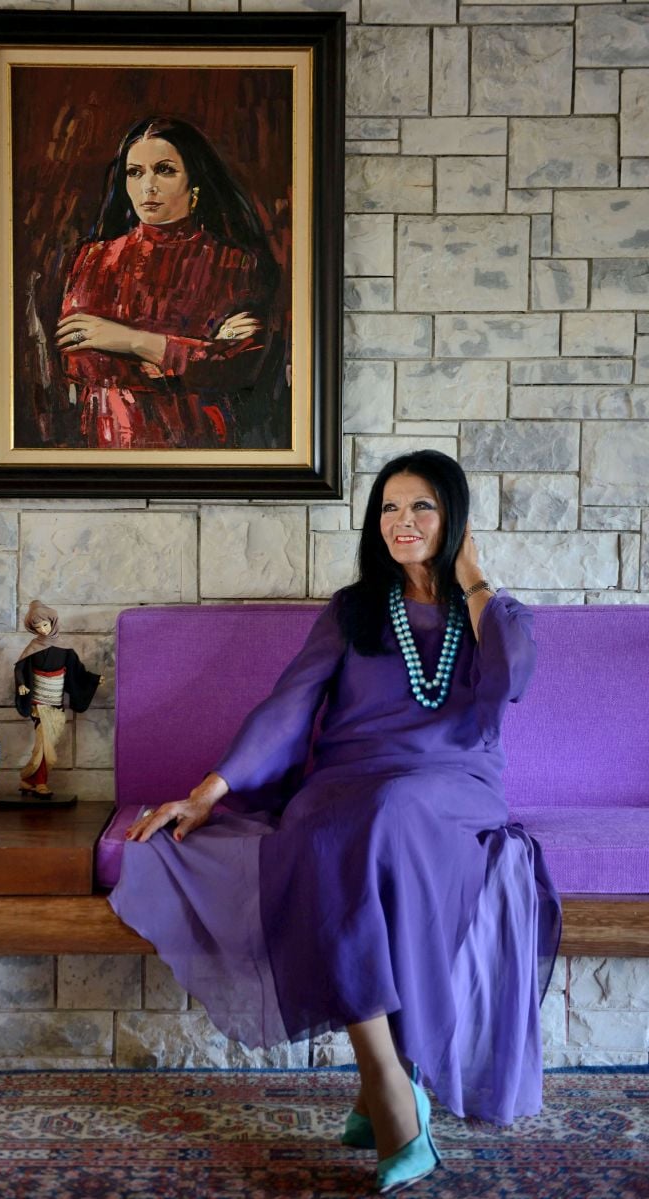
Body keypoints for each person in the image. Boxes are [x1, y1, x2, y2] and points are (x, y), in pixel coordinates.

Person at [110, 449, 561, 1194]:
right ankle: (386, 1080)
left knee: (381, 820)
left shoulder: (488, 613)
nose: (402, 522)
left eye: (422, 506)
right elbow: (289, 707)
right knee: (327, 833)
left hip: (452, 786)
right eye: (389, 507)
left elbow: (512, 677)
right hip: (348, 783)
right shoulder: (353, 609)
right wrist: (208, 792)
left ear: (454, 518)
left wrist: (473, 575)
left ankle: (384, 1090)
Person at [55, 116, 285, 451]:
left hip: (203, 446)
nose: (148, 186)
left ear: (195, 180)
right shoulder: (94, 259)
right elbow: (80, 361)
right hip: (111, 443)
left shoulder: (235, 264)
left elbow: (238, 368)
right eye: (135, 172)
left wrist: (125, 339)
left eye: (164, 170)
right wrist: (196, 354)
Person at [14, 600, 102, 797]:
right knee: (46, 749)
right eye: (37, 627)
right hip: (38, 703)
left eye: (45, 625)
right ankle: (40, 783)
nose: (43, 630)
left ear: (53, 622)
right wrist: (21, 684)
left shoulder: (65, 649)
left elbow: (77, 672)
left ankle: (28, 781)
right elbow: (20, 668)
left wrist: (93, 679)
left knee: (47, 746)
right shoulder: (33, 648)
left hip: (56, 703)